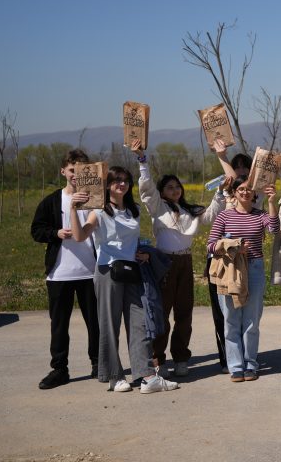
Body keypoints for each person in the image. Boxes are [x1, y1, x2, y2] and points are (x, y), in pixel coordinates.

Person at [70, 166, 178, 394]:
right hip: (108, 272)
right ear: (107, 185)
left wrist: (145, 253)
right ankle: (114, 375)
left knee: (139, 324)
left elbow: (131, 240)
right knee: (109, 324)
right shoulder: (98, 211)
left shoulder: (134, 210)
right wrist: (73, 208)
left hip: (133, 271)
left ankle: (147, 376)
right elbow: (80, 236)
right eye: (116, 181)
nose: (122, 184)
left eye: (126, 181)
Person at [134, 138, 230, 377]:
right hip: (163, 262)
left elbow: (211, 215)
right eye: (169, 188)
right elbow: (146, 189)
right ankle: (158, 357)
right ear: (162, 191)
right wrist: (142, 160)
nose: (175, 190)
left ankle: (180, 357)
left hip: (186, 263)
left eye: (177, 187)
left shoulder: (190, 211)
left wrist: (219, 192)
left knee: (184, 313)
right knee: (161, 312)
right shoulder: (158, 208)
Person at [31, 149, 100, 389]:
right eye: (72, 170)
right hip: (59, 273)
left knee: (95, 322)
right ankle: (59, 369)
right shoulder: (52, 201)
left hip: (90, 272)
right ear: (63, 171)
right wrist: (56, 233)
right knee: (59, 324)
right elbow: (36, 230)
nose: (75, 175)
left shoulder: (95, 199)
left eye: (81, 170)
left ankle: (98, 363)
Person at [206, 176, 279, 382]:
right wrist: (235, 246)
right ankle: (235, 366)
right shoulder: (224, 216)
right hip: (229, 269)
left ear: (255, 193)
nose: (245, 192)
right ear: (234, 192)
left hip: (254, 268)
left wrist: (272, 202)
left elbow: (273, 229)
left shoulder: (260, 214)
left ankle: (251, 364)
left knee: (251, 320)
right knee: (231, 320)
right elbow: (210, 245)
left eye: (249, 189)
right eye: (240, 189)